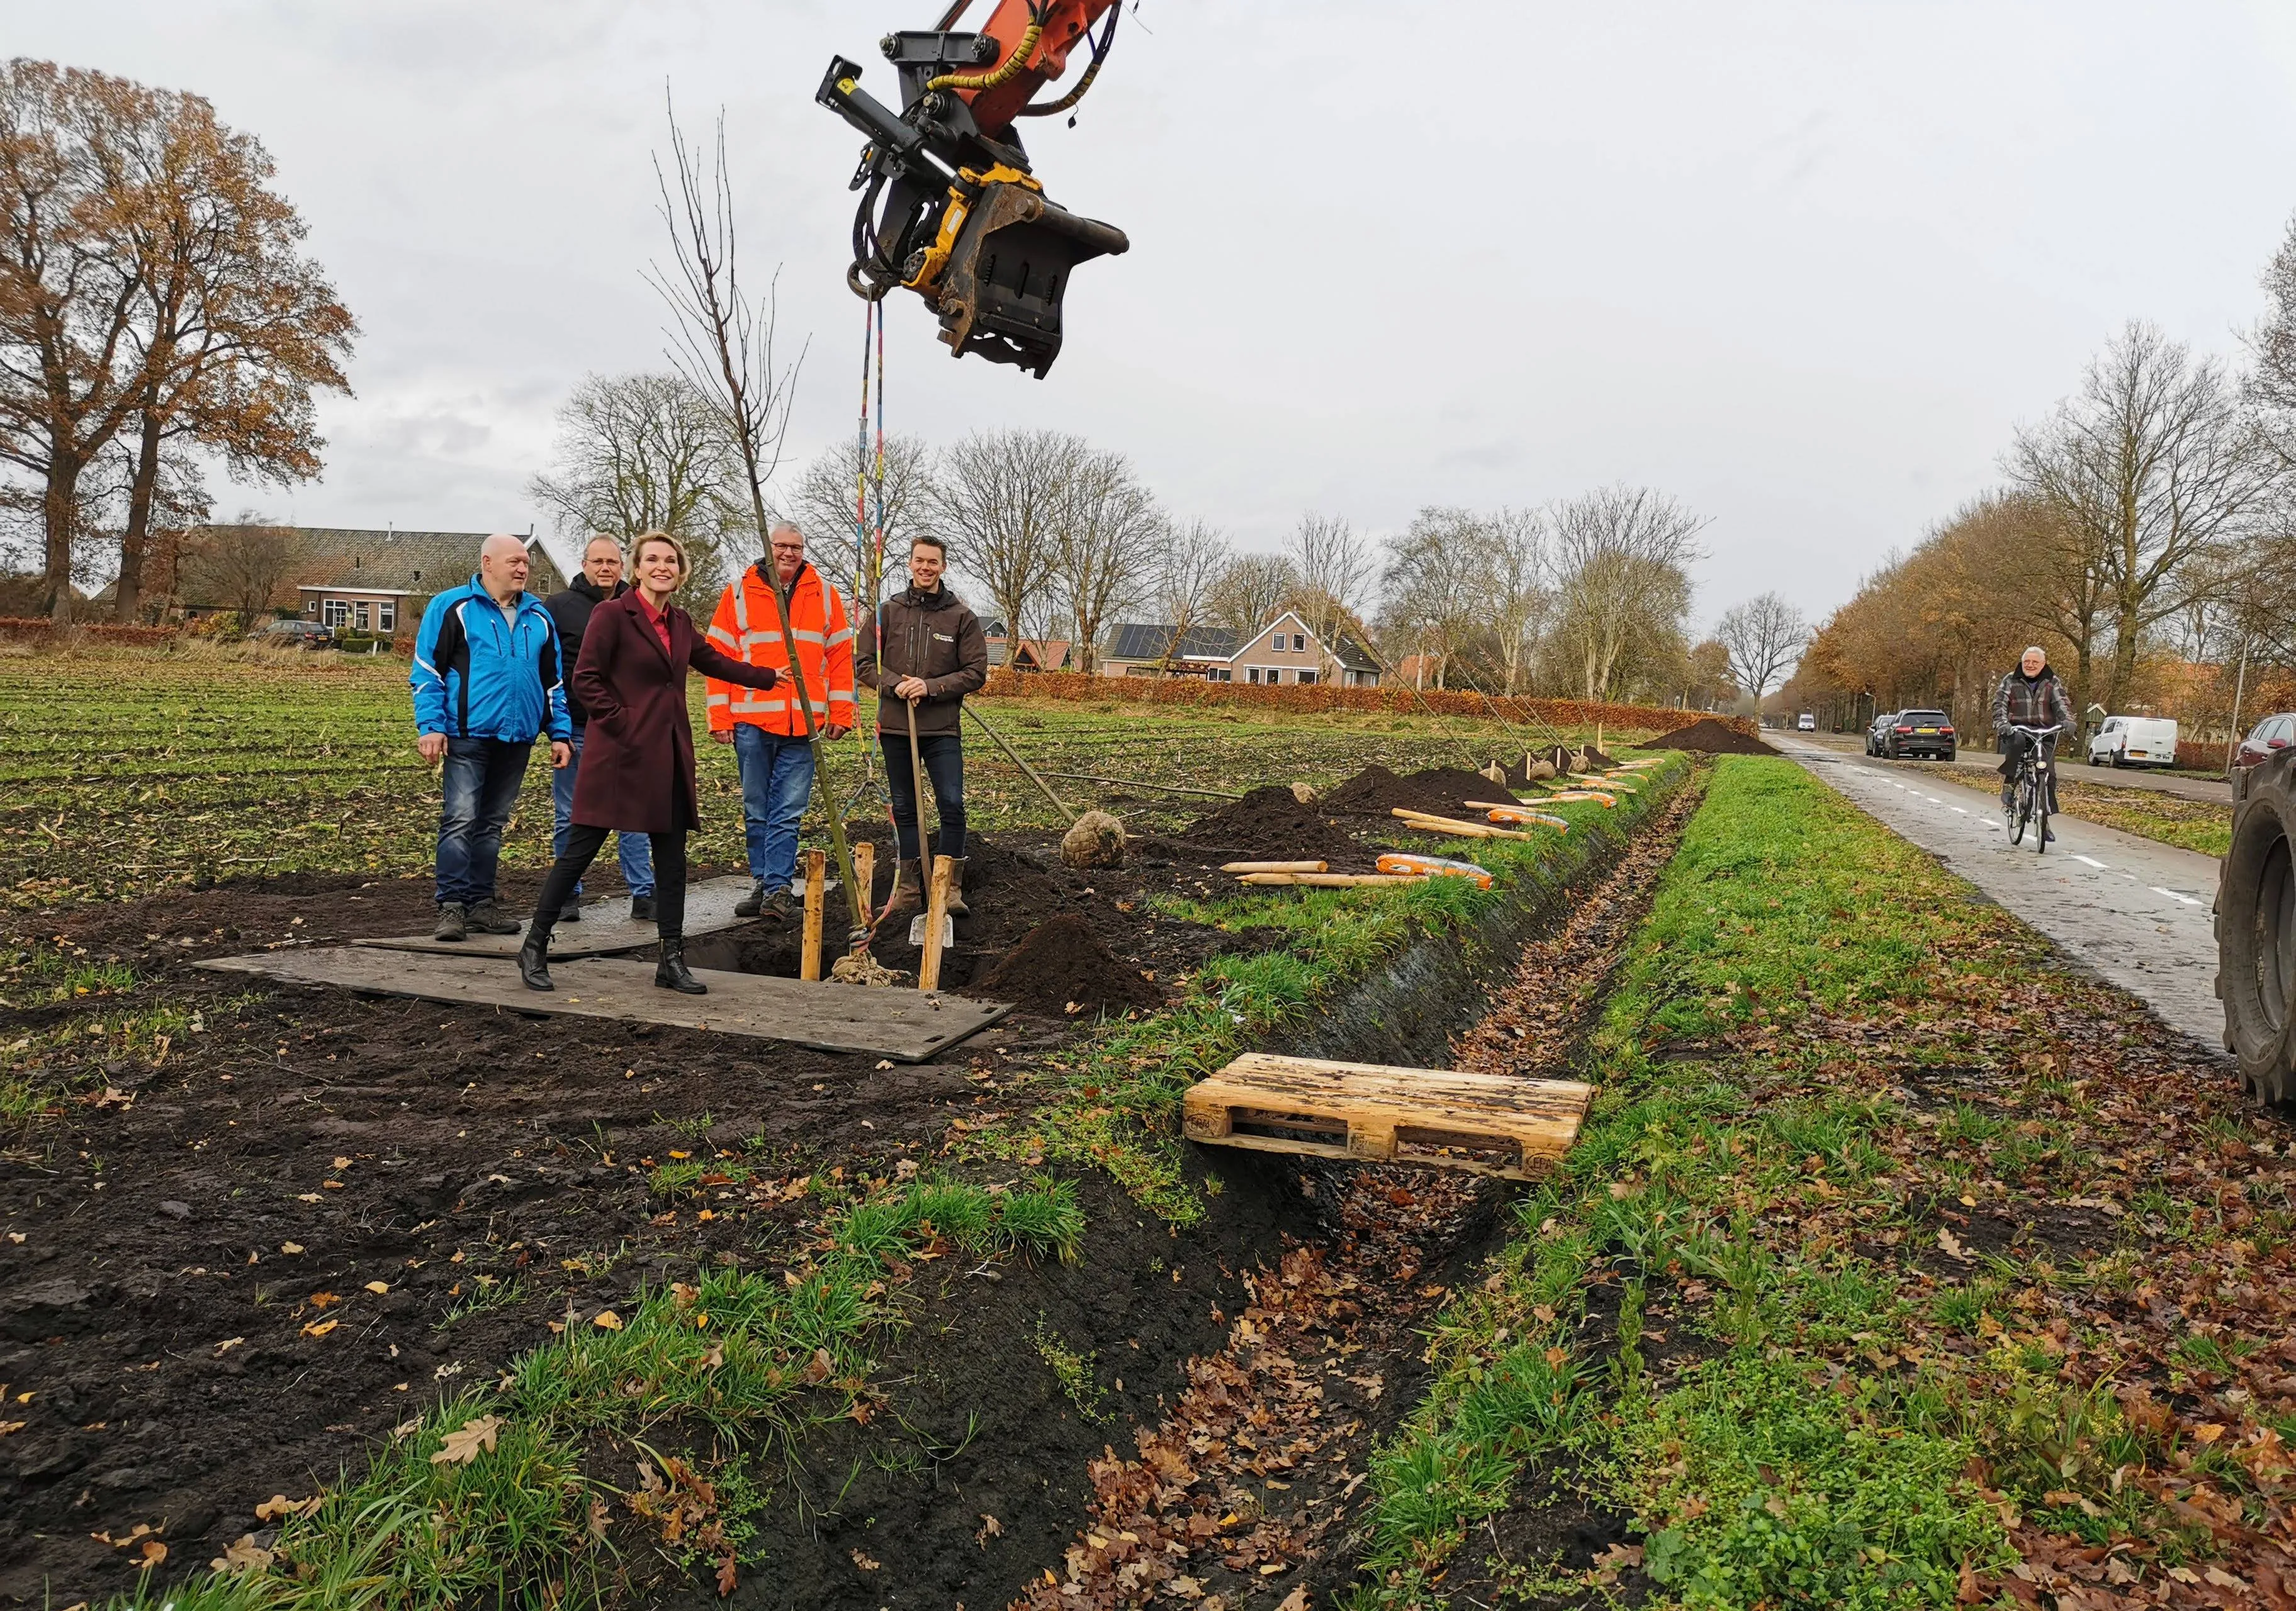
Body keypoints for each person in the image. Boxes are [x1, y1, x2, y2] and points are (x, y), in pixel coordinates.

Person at [518, 532, 780, 995]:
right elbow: (587, 679)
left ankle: (671, 958)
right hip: (618, 757)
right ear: (636, 569)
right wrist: (623, 723)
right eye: (653, 559)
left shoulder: (679, 622)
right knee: (579, 852)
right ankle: (535, 945)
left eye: (671, 560)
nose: (663, 566)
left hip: (669, 757)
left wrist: (765, 677)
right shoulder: (612, 615)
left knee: (672, 860)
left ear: (680, 571)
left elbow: (713, 661)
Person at [410, 534, 571, 941]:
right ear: (488, 562)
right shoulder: (451, 608)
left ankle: (482, 905)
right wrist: (430, 727)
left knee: (492, 825)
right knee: (461, 819)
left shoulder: (539, 617)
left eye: (526, 563)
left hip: (517, 737)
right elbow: (427, 671)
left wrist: (559, 734)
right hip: (467, 735)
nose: (523, 569)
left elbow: (554, 683)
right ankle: (451, 907)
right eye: (515, 561)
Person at [704, 522, 855, 923]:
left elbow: (840, 657)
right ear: (768, 548)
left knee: (787, 811)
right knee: (757, 807)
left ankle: (778, 888)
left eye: (797, 547)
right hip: (751, 720)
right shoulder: (738, 593)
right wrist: (719, 715)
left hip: (803, 724)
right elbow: (717, 658)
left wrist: (842, 711)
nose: (789, 553)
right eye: (782, 546)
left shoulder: (824, 595)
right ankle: (764, 882)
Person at [855, 534, 988, 919]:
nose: (925, 567)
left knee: (951, 803)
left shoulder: (961, 617)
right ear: (910, 564)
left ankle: (948, 888)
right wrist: (895, 683)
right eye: (919, 561)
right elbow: (864, 662)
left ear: (943, 567)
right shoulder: (887, 613)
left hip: (941, 730)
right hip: (896, 727)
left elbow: (976, 671)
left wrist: (930, 687)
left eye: (933, 562)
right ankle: (910, 889)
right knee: (905, 807)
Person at [544, 536, 656, 923]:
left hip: (628, 727)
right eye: (598, 561)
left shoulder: (637, 605)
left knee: (633, 812)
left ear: (623, 567)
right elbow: (548, 668)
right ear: (585, 564)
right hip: (577, 725)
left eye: (613, 562)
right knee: (571, 812)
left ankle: (643, 893)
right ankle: (568, 895)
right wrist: (554, 725)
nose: (606, 568)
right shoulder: (559, 607)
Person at [1993, 644, 2077, 841]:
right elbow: (2000, 705)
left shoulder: (2052, 681)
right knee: (2018, 744)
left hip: (2044, 732)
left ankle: (2044, 822)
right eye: (2026, 662)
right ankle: (2010, 784)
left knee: (2048, 774)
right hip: (2018, 730)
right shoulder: (2010, 680)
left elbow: (2062, 704)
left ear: (2043, 664)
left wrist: (2068, 721)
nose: (2030, 665)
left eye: (2034, 662)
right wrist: (2002, 723)